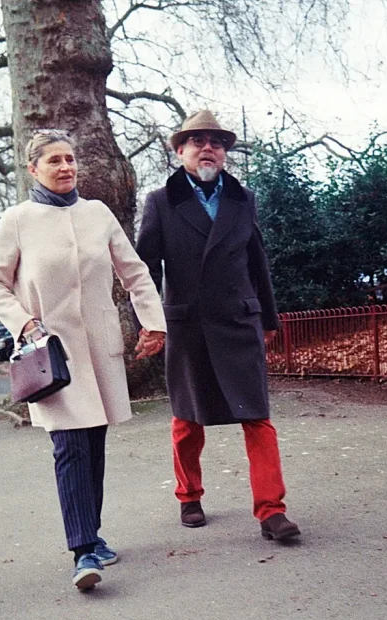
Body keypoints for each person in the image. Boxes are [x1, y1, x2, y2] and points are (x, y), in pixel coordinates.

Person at [0, 129, 167, 592]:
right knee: (69, 446)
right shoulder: (16, 220)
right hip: (50, 353)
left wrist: (154, 323)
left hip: (100, 348)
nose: (66, 167)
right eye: (55, 160)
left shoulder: (97, 214)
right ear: (33, 168)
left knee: (94, 443)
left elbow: (135, 272)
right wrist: (24, 323)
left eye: (71, 159)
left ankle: (94, 536)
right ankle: (83, 550)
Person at [136, 110, 301, 542]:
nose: (208, 147)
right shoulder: (160, 201)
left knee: (258, 418)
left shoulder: (242, 199)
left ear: (224, 152)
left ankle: (272, 511)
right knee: (187, 420)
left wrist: (267, 317)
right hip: (188, 326)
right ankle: (189, 495)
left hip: (238, 321)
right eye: (197, 141)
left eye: (216, 142)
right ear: (180, 151)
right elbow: (145, 270)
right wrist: (151, 323)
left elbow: (256, 260)